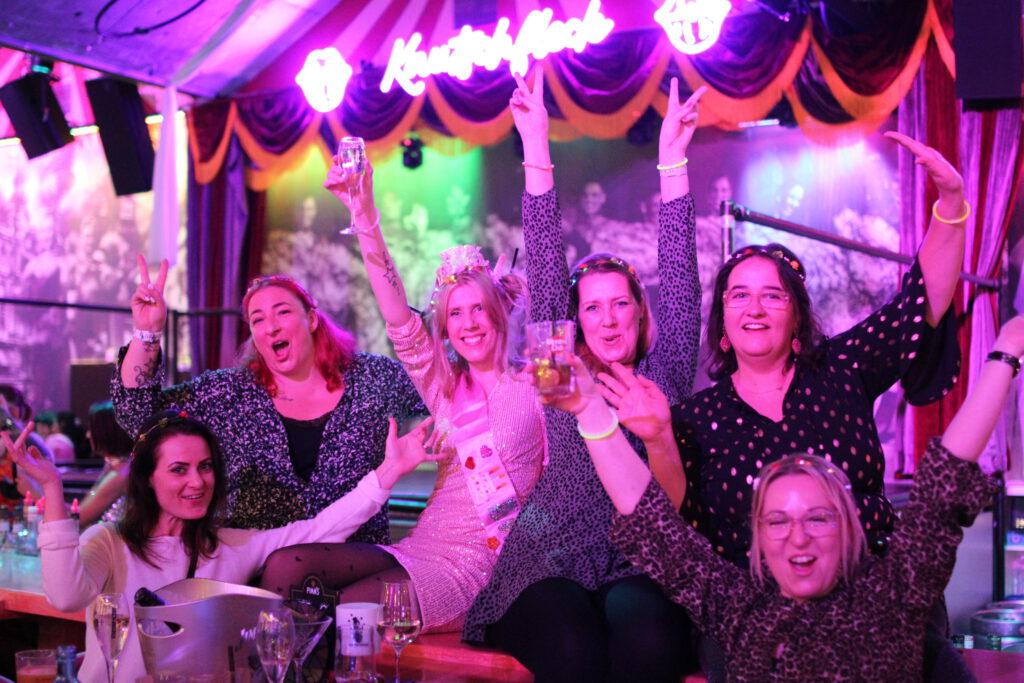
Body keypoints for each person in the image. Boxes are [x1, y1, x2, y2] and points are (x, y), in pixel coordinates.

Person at [560, 312, 1024, 680]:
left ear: (846, 528)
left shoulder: (892, 599)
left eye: (817, 518)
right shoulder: (740, 611)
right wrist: (590, 411)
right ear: (759, 537)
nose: (797, 537)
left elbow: (946, 476)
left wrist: (1005, 351)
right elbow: (650, 520)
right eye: (778, 521)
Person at [668, 132, 968, 678]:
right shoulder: (695, 418)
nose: (755, 308)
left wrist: (950, 203)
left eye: (773, 295)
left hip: (874, 591)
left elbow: (922, 300)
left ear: (798, 319)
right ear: (723, 325)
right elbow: (666, 525)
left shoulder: (841, 369)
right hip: (756, 611)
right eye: (739, 295)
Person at [462, 73, 704, 682]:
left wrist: (672, 163)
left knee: (647, 641)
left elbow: (681, 278)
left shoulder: (665, 368)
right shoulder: (559, 365)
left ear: (640, 312)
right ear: (575, 320)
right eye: (592, 307)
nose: (608, 318)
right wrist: (535, 146)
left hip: (638, 560)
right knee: (573, 650)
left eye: (620, 303)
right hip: (551, 555)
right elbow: (545, 260)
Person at [257, 159, 546, 634]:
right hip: (419, 547)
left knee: (348, 613)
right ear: (445, 328)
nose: (469, 324)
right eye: (456, 314)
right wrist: (364, 216)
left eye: (478, 309)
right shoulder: (445, 384)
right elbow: (396, 316)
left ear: (499, 312)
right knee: (285, 568)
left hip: (479, 567)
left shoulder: (536, 385)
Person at [4, 409, 439, 683]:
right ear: (148, 479)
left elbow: (320, 530)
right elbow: (65, 596)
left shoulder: (228, 545)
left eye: (206, 466)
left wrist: (389, 472)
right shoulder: (109, 543)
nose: (197, 482)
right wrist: (52, 491)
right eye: (179, 469)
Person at [112, 258, 425, 536]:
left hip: (356, 558)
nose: (270, 327)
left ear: (311, 320)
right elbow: (139, 415)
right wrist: (147, 333)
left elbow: (440, 390)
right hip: (257, 566)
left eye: (283, 312)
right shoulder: (229, 393)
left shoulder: (372, 377)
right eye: (257, 320)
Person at [78, 402, 134, 526]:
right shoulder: (115, 466)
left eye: (91, 429)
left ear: (108, 432)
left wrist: (46, 488)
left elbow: (78, 519)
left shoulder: (120, 474)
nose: (88, 435)